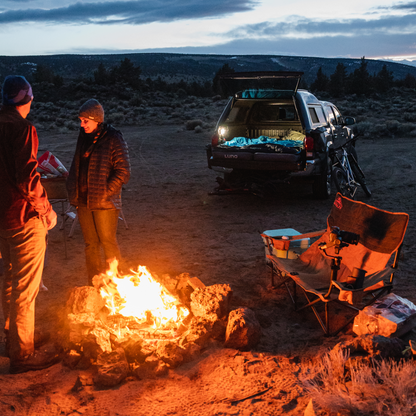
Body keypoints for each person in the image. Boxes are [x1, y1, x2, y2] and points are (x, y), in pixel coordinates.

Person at [0, 75, 59, 374]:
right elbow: (27, 177)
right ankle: (22, 354)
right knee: (25, 287)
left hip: (3, 220)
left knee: (9, 281)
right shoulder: (22, 129)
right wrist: (46, 210)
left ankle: (11, 340)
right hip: (23, 218)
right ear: (28, 98)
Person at [66, 99, 130, 285]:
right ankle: (94, 283)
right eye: (80, 120)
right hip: (84, 201)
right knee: (90, 244)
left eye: (86, 120)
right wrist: (73, 190)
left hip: (105, 203)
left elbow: (123, 171)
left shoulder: (113, 138)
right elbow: (77, 164)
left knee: (107, 241)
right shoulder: (83, 137)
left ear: (97, 120)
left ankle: (117, 283)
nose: (82, 124)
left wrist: (105, 192)